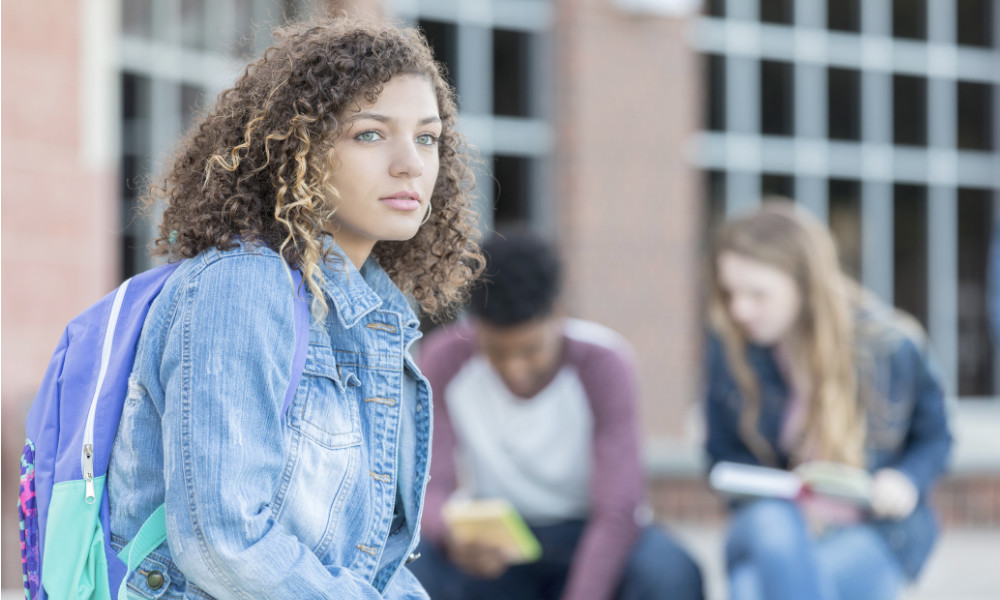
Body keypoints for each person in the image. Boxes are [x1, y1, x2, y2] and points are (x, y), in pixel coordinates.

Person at [106, 18, 483, 599]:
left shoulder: (368, 315)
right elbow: (223, 541)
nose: (411, 163)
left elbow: (365, 566)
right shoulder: (243, 286)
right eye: (370, 134)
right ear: (296, 147)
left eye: (427, 138)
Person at [409, 229, 705, 600]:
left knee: (670, 571)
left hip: (588, 533)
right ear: (476, 327)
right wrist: (451, 535)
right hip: (498, 542)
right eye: (498, 352)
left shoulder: (604, 363)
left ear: (559, 314)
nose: (515, 368)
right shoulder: (443, 359)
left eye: (531, 350)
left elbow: (619, 508)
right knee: (411, 564)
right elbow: (428, 485)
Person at [704, 204, 953, 600]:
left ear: (804, 284)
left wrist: (906, 479)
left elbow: (936, 437)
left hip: (873, 527)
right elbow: (721, 454)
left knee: (752, 590)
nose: (740, 309)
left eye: (758, 294)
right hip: (770, 524)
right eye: (730, 293)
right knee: (776, 526)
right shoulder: (732, 347)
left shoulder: (889, 345)